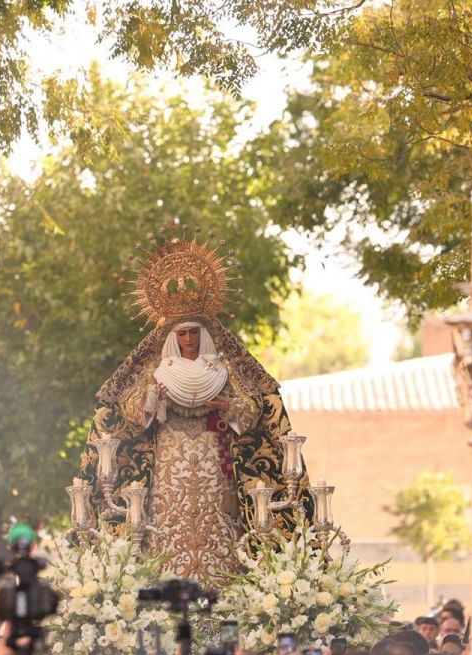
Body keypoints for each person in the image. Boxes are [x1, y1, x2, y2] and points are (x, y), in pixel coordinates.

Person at [81, 235, 305, 583]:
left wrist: (226, 406)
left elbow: (254, 409)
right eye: (182, 333)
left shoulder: (222, 367)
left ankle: (221, 588)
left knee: (217, 524)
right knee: (168, 523)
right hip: (170, 461)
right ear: (173, 336)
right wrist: (154, 400)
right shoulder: (157, 370)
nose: (188, 339)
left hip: (214, 459)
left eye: (194, 333)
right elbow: (128, 412)